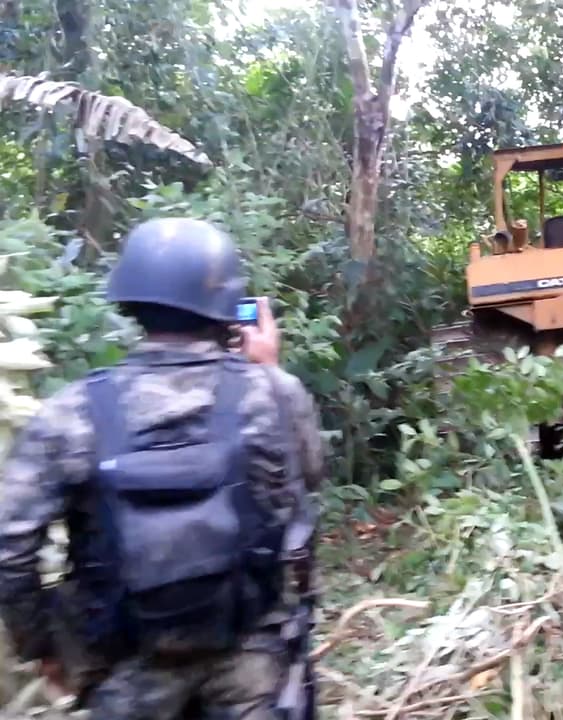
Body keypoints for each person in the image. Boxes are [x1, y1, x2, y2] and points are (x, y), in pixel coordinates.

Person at [0, 217, 325, 719]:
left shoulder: (72, 412)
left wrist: (42, 645)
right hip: (252, 660)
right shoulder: (275, 394)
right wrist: (267, 369)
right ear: (227, 309)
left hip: (125, 670)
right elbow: (308, 475)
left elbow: (12, 545)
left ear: (132, 302)